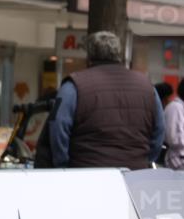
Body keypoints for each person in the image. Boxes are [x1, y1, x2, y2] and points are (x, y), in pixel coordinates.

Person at [49, 31, 164, 169]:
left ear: (89, 54)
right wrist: (145, 159)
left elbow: (58, 127)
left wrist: (63, 164)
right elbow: (159, 131)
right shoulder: (147, 87)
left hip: (87, 172)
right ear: (120, 54)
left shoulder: (74, 85)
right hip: (134, 174)